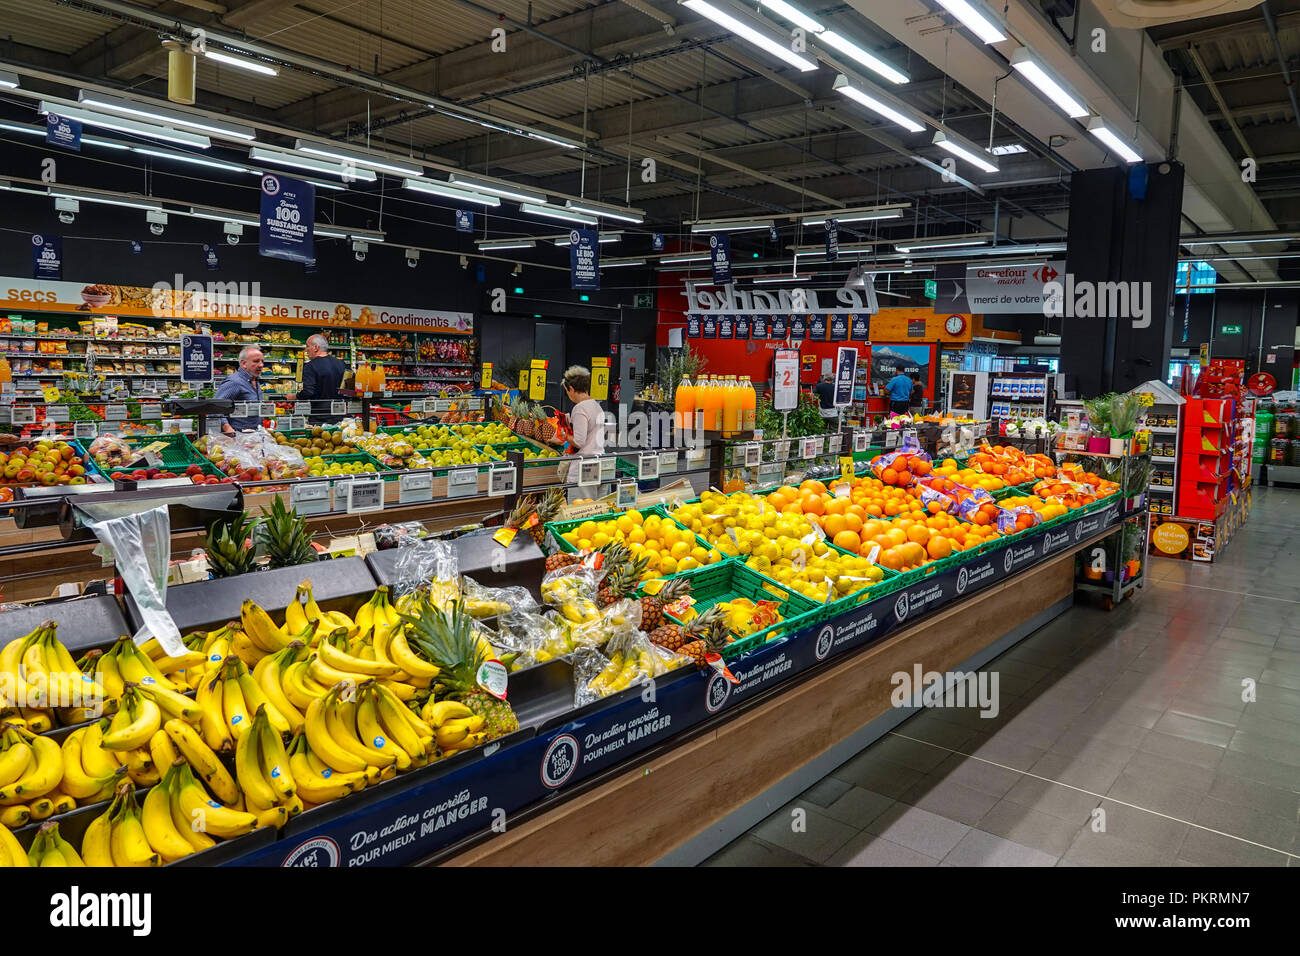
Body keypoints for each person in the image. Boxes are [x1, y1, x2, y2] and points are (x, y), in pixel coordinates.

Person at [295, 334, 348, 424]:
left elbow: (308, 392)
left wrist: (296, 396)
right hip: (340, 415)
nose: (306, 350)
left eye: (307, 346)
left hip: (319, 417)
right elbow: (348, 389)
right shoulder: (341, 364)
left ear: (316, 348)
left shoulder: (310, 366)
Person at [216, 345, 264, 435]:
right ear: (243, 364)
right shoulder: (234, 382)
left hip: (254, 436)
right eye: (256, 361)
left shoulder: (255, 380)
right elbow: (215, 408)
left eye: (262, 361)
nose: (261, 365)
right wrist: (228, 429)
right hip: (238, 438)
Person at [563, 365, 606, 457]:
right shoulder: (597, 406)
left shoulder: (580, 409)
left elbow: (579, 442)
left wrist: (563, 435)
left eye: (567, 391)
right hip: (598, 457)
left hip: (583, 462)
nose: (568, 394)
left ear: (571, 389)